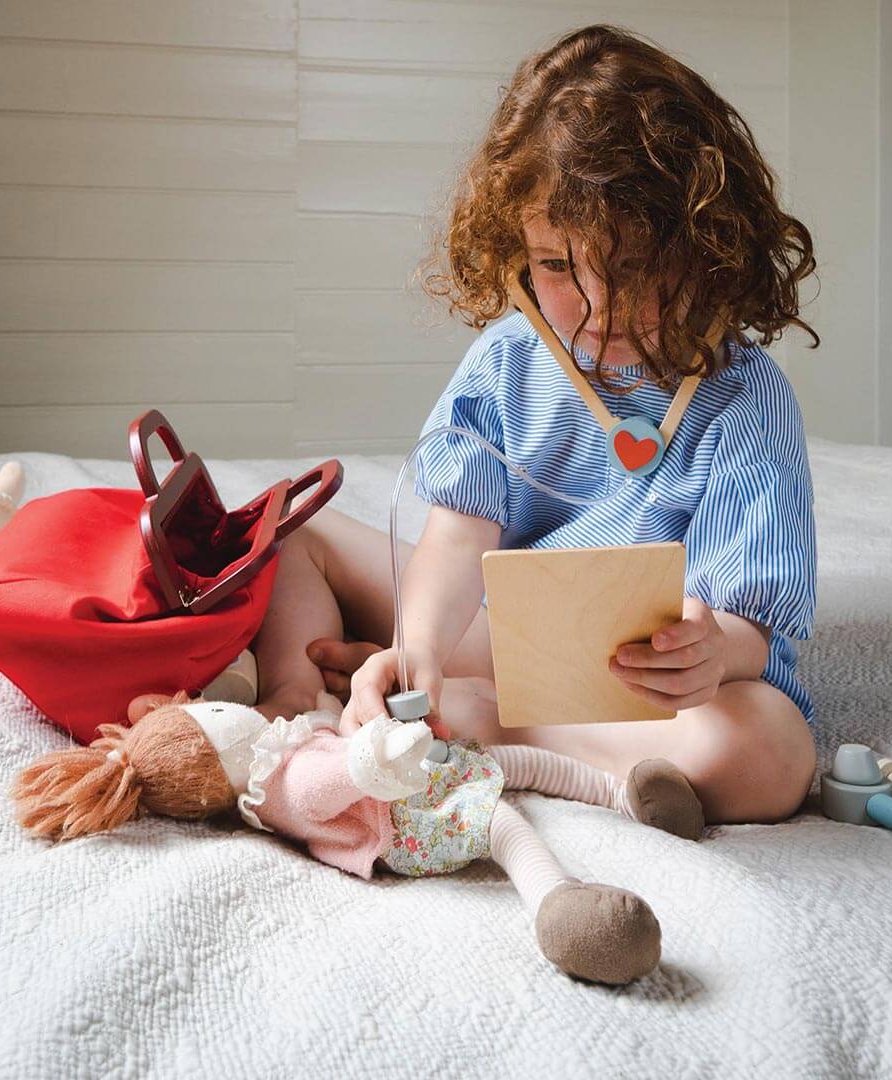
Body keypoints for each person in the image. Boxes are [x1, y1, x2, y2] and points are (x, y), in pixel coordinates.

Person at [252, 24, 820, 825]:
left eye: (628, 267)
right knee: (287, 529)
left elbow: (751, 629)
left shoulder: (745, 400)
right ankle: (295, 707)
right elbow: (455, 542)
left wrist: (713, 652)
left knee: (771, 754)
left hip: (652, 683)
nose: (595, 306)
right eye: (557, 266)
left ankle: (494, 724)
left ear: (705, 247)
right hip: (510, 638)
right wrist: (417, 651)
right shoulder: (506, 364)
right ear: (516, 248)